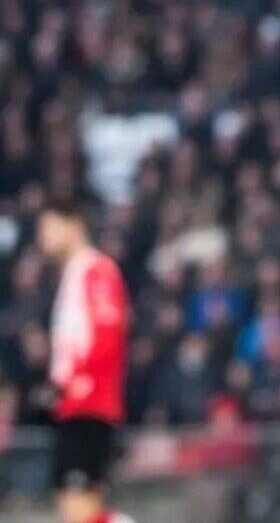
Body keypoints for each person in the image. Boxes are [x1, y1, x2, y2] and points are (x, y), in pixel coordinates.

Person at [37, 198, 133, 523]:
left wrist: (79, 382)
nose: (44, 238)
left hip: (89, 402)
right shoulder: (73, 274)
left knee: (79, 507)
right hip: (72, 403)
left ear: (74, 226)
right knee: (74, 508)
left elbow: (107, 331)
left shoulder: (96, 270)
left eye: (50, 227)